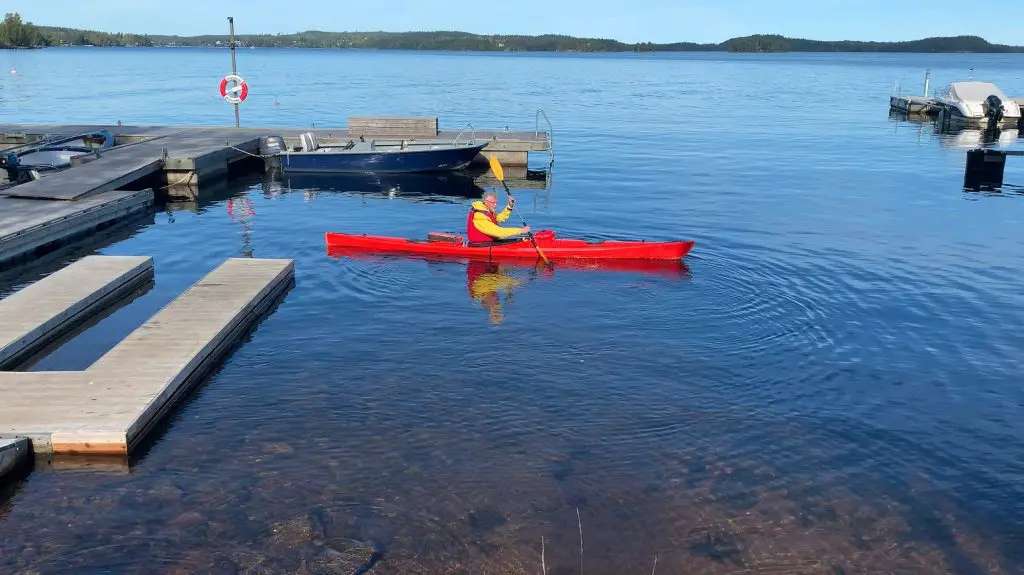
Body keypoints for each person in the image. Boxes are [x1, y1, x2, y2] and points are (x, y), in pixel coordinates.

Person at [465, 191, 530, 244]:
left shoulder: (487, 211)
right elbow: (498, 232)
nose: (495, 205)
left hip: (490, 243)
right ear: (486, 202)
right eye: (493, 203)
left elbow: (499, 218)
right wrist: (520, 230)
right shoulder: (479, 216)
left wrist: (510, 206)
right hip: (480, 245)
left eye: (496, 203)